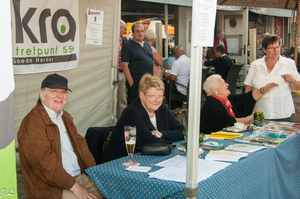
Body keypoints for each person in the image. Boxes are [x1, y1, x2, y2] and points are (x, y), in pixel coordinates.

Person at [17, 74, 105, 199]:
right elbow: (45, 164)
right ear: (42, 95)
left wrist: (94, 173)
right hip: (50, 187)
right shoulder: (32, 123)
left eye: (63, 92)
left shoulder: (65, 117)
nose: (60, 96)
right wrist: (75, 187)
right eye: (53, 91)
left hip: (78, 176)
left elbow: (81, 147)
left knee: (110, 192)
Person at [100, 74, 185, 163]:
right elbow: (151, 142)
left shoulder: (161, 108)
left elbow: (182, 132)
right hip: (120, 162)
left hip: (149, 159)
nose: (157, 100)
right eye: (152, 95)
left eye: (160, 96)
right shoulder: (132, 112)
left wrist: (161, 134)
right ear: (142, 95)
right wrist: (171, 140)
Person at [245, 34, 300, 122]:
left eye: (277, 47)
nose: (275, 50)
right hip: (261, 114)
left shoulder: (289, 63)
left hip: (283, 114)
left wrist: (292, 80)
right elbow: (248, 90)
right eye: (271, 48)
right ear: (264, 50)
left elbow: (298, 87)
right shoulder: (255, 65)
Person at [200, 74, 278, 134]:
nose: (227, 85)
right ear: (214, 90)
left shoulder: (226, 100)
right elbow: (229, 121)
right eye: (223, 84)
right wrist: (249, 118)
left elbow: (246, 98)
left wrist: (263, 90)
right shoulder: (211, 103)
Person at [121, 22, 153, 105]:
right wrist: (132, 84)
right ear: (133, 33)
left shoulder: (147, 45)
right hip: (136, 85)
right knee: (135, 109)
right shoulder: (128, 45)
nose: (140, 33)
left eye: (142, 31)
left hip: (148, 84)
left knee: (147, 107)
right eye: (138, 31)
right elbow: (125, 66)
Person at [117, 19, 127, 119]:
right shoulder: (115, 40)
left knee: (122, 98)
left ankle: (121, 120)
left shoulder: (120, 39)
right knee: (121, 98)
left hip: (121, 71)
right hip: (117, 71)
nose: (125, 31)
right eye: (124, 28)